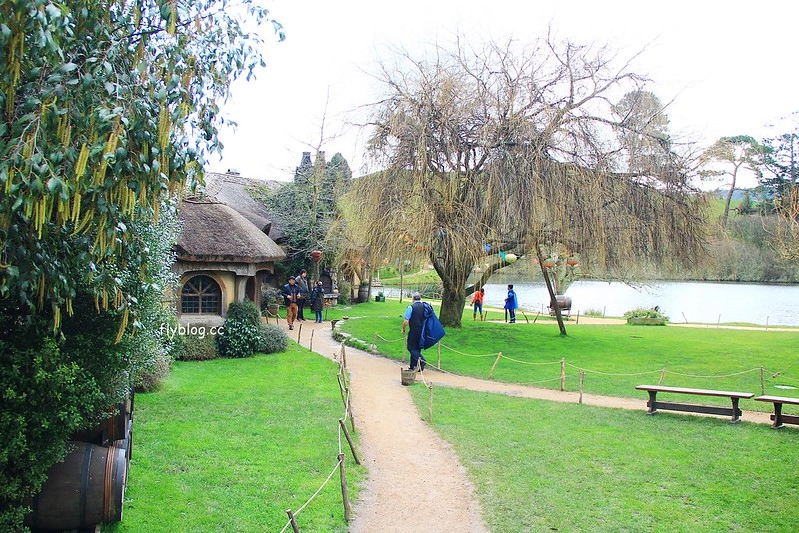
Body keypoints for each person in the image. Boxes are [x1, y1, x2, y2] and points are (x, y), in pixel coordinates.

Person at [401, 292, 427, 371]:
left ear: (413, 298)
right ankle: (413, 366)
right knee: (417, 348)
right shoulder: (424, 306)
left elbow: (406, 321)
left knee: (410, 347)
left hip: (414, 329)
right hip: (422, 330)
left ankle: (422, 360)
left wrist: (403, 328)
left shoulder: (411, 307)